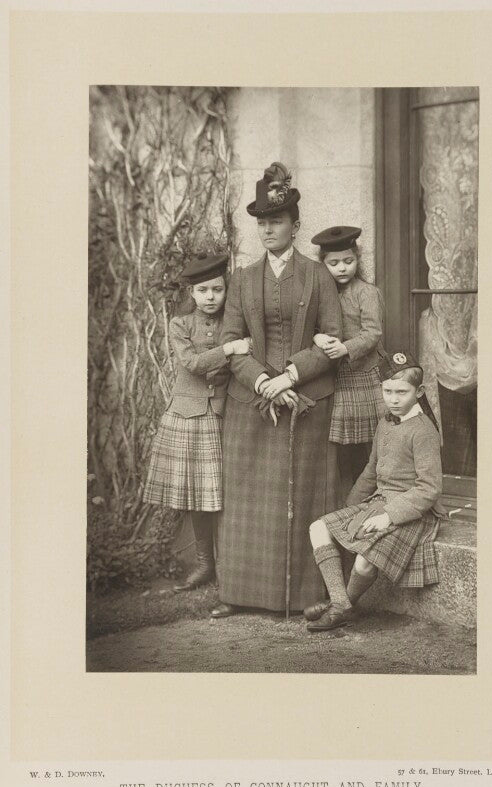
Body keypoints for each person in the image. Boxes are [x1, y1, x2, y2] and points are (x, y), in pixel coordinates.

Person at [211, 162, 343, 618]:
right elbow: (230, 344)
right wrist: (265, 381)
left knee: (306, 495)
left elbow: (333, 339)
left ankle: (308, 595)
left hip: (307, 401)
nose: (268, 230)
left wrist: (291, 376)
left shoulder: (318, 275)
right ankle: (240, 593)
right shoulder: (244, 279)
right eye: (262, 222)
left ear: (295, 225)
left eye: (277, 222)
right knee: (249, 499)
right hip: (252, 403)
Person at [304, 350, 445, 632]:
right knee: (319, 527)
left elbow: (430, 488)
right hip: (378, 501)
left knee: (365, 560)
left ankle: (341, 605)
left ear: (420, 392)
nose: (393, 399)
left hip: (411, 511)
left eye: (402, 392)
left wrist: (389, 517)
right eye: (388, 391)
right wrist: (350, 508)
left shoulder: (424, 431)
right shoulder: (385, 422)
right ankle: (340, 602)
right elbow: (371, 470)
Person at [143, 253, 252, 591]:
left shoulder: (233, 324)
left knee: (230, 490)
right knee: (198, 494)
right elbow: (191, 364)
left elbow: (236, 361)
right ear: (192, 293)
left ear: (225, 290)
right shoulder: (180, 324)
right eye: (203, 290)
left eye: (217, 290)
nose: (210, 297)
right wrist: (230, 349)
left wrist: (230, 349)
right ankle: (205, 563)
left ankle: (233, 563)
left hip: (226, 412)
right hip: (189, 414)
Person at [311, 225, 386, 499]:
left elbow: (373, 333)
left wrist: (345, 348)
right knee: (340, 448)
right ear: (323, 264)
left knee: (367, 447)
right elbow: (311, 326)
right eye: (333, 263)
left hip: (363, 376)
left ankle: (369, 499)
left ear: (358, 259)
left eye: (348, 261)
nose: (341, 268)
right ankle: (345, 504)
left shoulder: (366, 292)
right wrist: (317, 338)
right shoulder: (320, 295)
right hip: (335, 380)